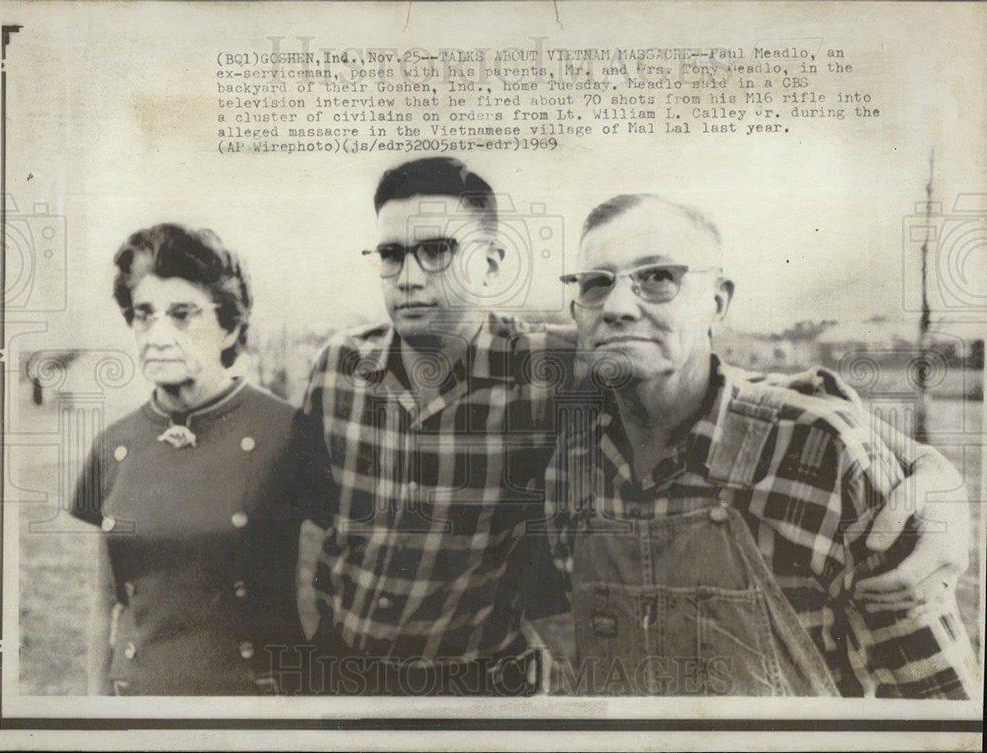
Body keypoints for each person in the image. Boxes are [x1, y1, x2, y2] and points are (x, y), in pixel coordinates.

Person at [300, 158, 969, 696]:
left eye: (438, 251)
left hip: (481, 692)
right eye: (391, 254)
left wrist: (930, 476)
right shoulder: (338, 369)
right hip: (346, 677)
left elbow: (734, 393)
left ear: (492, 262)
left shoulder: (549, 369)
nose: (410, 276)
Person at [545, 194, 980, 697]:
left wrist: (938, 473)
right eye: (597, 283)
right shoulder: (572, 462)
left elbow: (940, 711)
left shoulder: (820, 452)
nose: (618, 307)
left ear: (719, 301)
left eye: (659, 277)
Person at [71, 223, 330, 695]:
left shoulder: (288, 432)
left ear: (229, 325)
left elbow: (329, 589)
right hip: (138, 703)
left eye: (183, 314)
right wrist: (95, 711)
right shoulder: (113, 445)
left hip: (253, 705)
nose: (158, 334)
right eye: (144, 315)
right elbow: (104, 602)